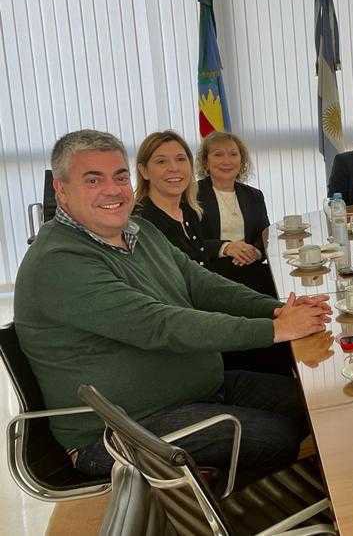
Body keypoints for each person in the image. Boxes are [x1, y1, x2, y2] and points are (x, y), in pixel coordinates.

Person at [13, 129, 331, 483]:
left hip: (198, 389)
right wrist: (275, 329)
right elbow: (159, 325)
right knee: (276, 438)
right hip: (121, 430)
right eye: (92, 179)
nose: (112, 189)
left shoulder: (139, 230)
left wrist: (274, 309)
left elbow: (200, 284)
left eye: (119, 176)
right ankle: (215, 514)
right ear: (61, 190)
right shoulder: (59, 261)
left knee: (314, 401)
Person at [196, 131, 276, 298]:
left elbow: (265, 235)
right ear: (206, 162)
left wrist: (256, 252)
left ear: (241, 160)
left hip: (249, 267)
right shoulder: (191, 195)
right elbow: (190, 242)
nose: (227, 161)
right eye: (218, 154)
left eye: (233, 154)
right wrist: (226, 248)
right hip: (211, 272)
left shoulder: (254, 195)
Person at [132, 130, 217, 266]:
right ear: (144, 171)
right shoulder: (139, 222)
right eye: (161, 161)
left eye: (180, 159)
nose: (174, 168)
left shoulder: (190, 211)